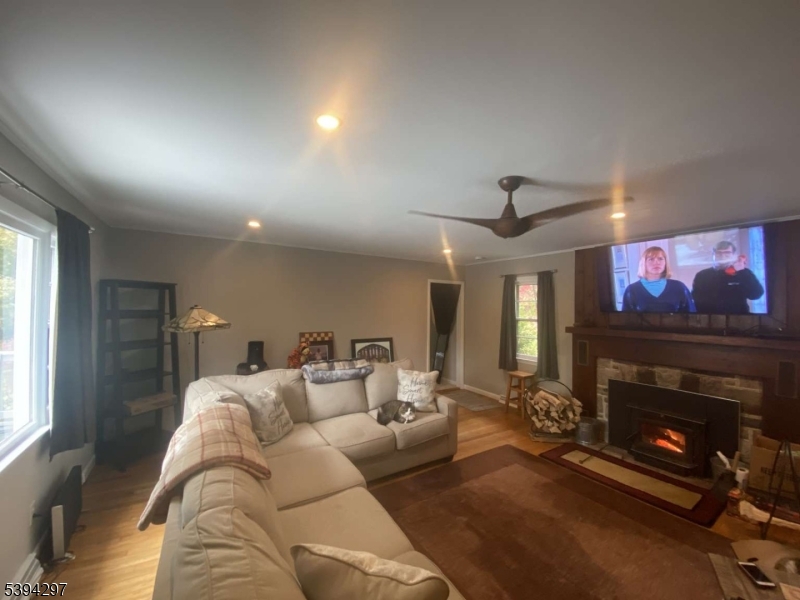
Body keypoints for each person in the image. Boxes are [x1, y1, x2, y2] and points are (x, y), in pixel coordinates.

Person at [691, 240, 764, 314]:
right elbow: (696, 299)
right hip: (711, 318)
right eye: (718, 253)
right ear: (713, 255)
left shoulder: (743, 272)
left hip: (739, 318)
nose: (722, 256)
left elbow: (756, 295)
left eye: (727, 253)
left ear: (734, 255)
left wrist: (741, 272)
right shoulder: (702, 275)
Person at [622, 246, 695, 313]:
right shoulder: (632, 290)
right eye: (651, 259)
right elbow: (626, 319)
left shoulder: (679, 287)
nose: (656, 263)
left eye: (660, 259)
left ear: (665, 263)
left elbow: (691, 315)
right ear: (643, 264)